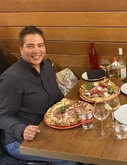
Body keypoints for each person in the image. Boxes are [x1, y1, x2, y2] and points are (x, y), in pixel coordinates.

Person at [0, 26, 77, 165]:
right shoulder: (12, 78)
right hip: (20, 140)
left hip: (47, 127)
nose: (36, 51)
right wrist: (22, 129)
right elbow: (2, 115)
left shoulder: (46, 66)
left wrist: (73, 106)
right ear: (21, 49)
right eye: (30, 46)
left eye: (40, 45)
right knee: (70, 157)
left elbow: (56, 97)